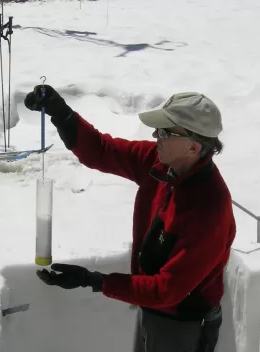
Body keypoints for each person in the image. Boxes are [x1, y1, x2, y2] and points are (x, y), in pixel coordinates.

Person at [24, 86, 236, 352]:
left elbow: (166, 289)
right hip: (154, 310)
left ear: (193, 147)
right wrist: (61, 113)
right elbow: (102, 150)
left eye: (165, 132)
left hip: (184, 325)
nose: (155, 136)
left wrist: (94, 280)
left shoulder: (208, 209)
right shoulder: (160, 163)